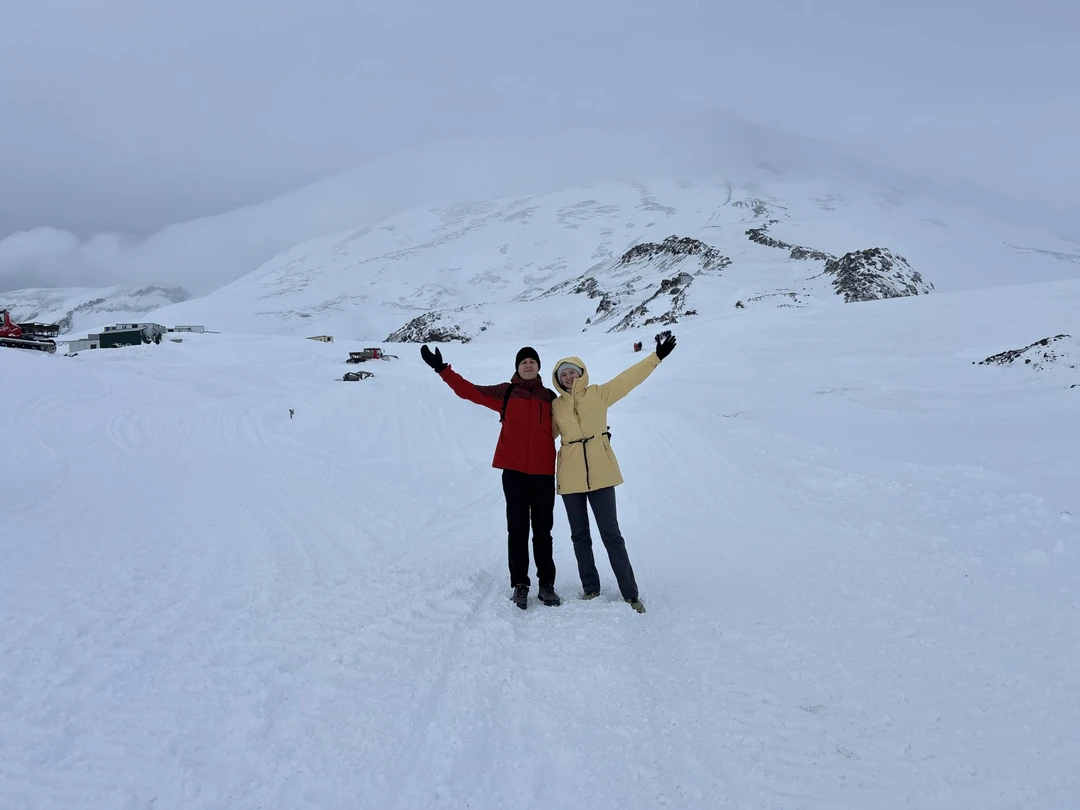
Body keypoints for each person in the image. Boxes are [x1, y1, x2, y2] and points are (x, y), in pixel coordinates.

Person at [420, 343, 562, 610]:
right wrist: (442, 369)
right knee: (517, 529)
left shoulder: (550, 397)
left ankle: (546, 585)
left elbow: (574, 419)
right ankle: (520, 584)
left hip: (543, 473)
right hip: (514, 473)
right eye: (523, 362)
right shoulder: (505, 392)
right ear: (517, 367)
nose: (528, 365)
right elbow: (469, 391)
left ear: (538, 367)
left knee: (543, 531)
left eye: (532, 361)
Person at [549, 332, 677, 613]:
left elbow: (627, 380)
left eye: (572, 371)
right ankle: (590, 588)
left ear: (581, 373)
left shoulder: (599, 394)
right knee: (579, 536)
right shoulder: (555, 406)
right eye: (563, 374)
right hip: (570, 476)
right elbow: (544, 434)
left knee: (612, 535)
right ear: (558, 380)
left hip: (601, 472)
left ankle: (630, 593)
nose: (568, 377)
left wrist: (655, 358)